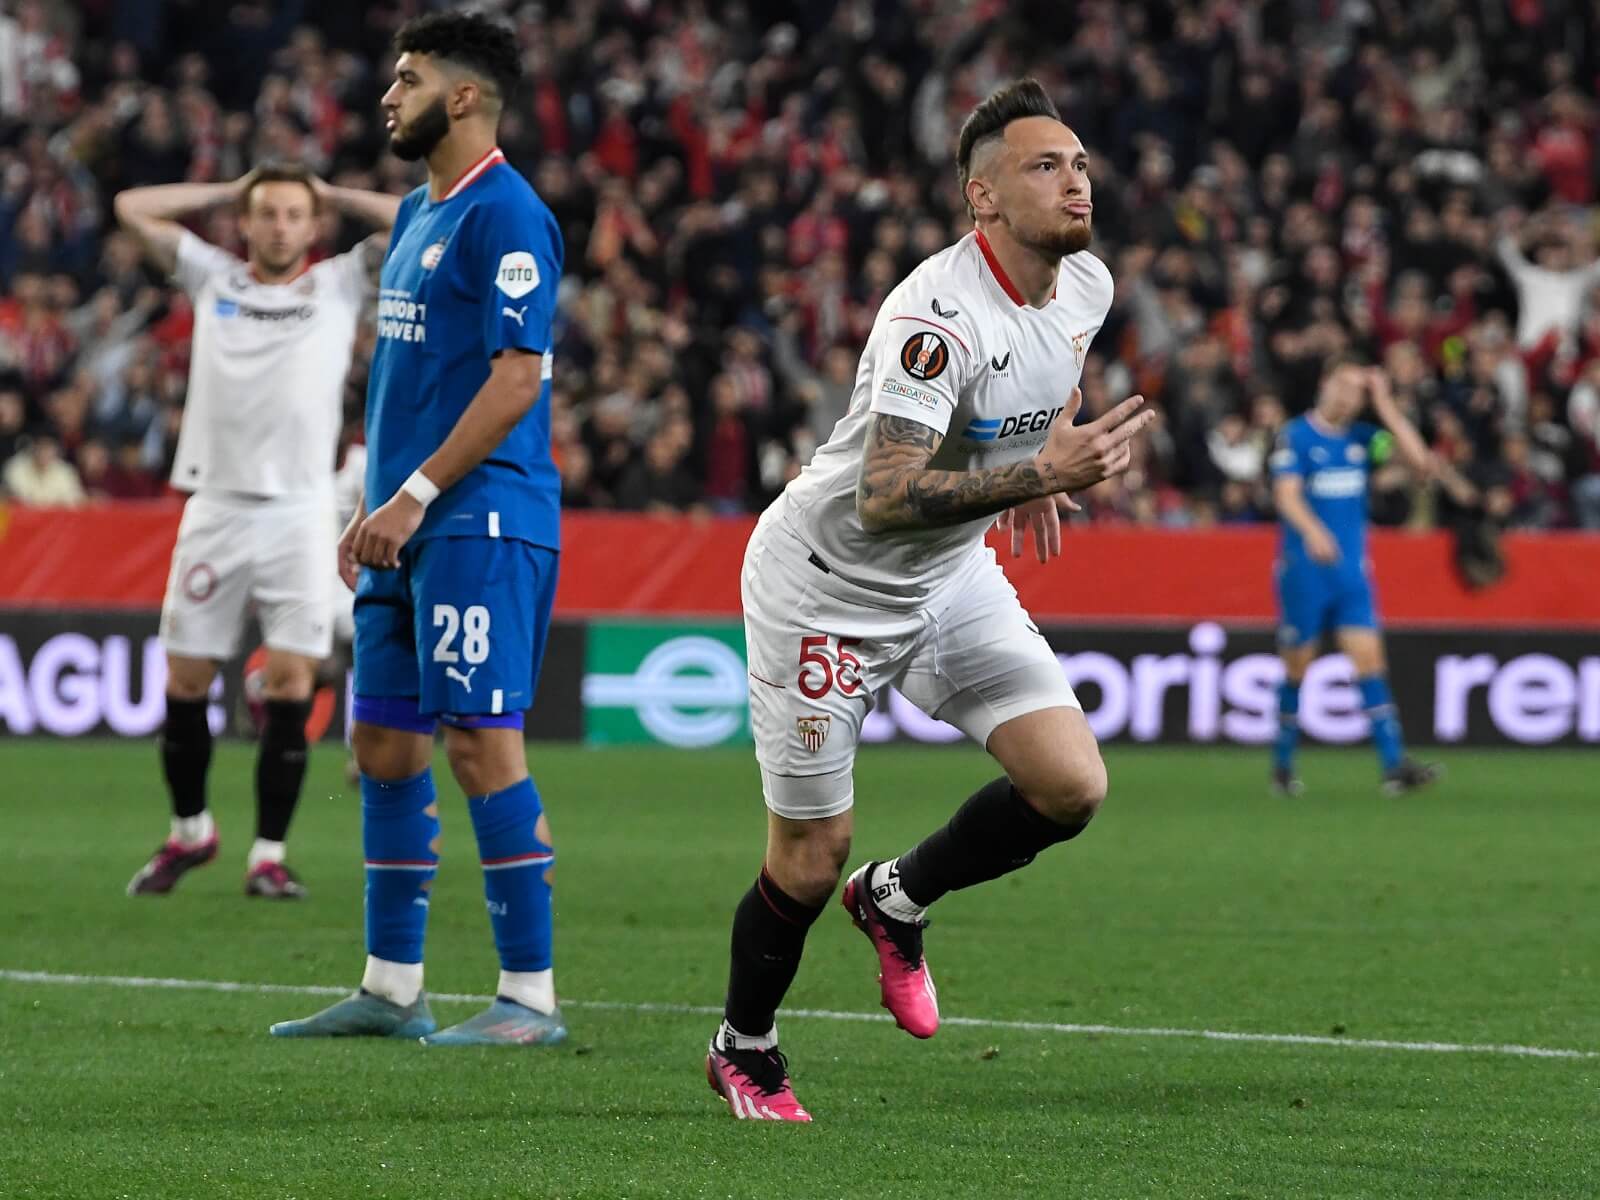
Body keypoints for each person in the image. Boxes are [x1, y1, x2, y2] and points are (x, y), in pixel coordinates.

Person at [704, 79, 1155, 1122]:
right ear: (981, 198)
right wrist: (1035, 477)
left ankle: (897, 897)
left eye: (1079, 161)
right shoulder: (932, 319)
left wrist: (1036, 453)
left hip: (948, 571)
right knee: (808, 858)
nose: (1074, 179)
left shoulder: (1083, 284)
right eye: (1045, 166)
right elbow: (886, 491)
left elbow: (1049, 381)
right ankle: (746, 1045)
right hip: (828, 588)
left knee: (1069, 787)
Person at [269, 11, 566, 1047]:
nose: (387, 96)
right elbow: (407, 376)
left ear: (465, 96)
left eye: (407, 79)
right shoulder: (414, 214)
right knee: (385, 741)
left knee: (482, 742)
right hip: (401, 519)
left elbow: (517, 377)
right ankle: (392, 987)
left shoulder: (508, 216)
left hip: (478, 517)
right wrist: (376, 498)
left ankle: (529, 999)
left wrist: (418, 494)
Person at [117, 163, 399, 899]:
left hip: (301, 512)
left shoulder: (336, 283)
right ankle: (192, 833)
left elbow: (417, 216)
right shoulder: (215, 277)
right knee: (186, 681)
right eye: (266, 213)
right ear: (245, 222)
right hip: (214, 505)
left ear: (313, 226)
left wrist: (333, 195)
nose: (278, 225)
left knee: (291, 682)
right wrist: (222, 191)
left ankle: (267, 855)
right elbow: (131, 204)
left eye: (292, 215)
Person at [1268, 355, 1460, 796]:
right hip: (1305, 572)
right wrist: (1313, 531)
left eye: (1359, 391)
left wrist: (1387, 405)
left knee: (1371, 663)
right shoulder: (1295, 436)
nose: (1350, 396)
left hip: (1351, 573)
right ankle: (1282, 766)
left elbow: (1422, 465)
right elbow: (1286, 495)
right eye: (1345, 386)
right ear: (1325, 384)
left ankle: (1394, 766)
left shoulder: (1362, 440)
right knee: (1297, 666)